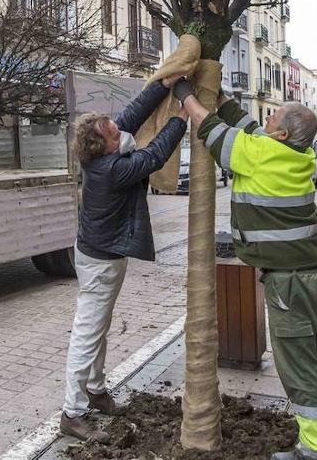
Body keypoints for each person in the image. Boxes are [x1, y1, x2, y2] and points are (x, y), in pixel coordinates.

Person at [183, 88, 317, 460]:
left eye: (273, 117)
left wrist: (184, 93)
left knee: (297, 362)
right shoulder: (296, 155)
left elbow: (209, 126)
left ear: (282, 134)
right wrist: (220, 93)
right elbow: (247, 125)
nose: (266, 120)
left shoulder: (258, 155)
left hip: (290, 283)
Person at [60, 75, 192, 442]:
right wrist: (182, 116)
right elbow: (155, 155)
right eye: (113, 131)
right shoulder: (113, 170)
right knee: (87, 333)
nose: (120, 129)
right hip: (100, 262)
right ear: (102, 144)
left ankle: (97, 389)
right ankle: (72, 413)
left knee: (98, 327)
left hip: (101, 254)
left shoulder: (104, 150)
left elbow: (132, 114)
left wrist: (162, 84)